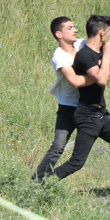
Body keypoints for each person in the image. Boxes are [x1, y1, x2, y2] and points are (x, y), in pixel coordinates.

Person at [50, 15, 110, 202]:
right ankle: (42, 185)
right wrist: (106, 56)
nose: (109, 35)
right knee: (76, 162)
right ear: (102, 32)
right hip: (87, 116)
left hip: (101, 114)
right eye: (107, 32)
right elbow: (101, 79)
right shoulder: (84, 56)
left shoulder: (99, 51)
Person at [34, 17, 92, 179]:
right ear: (58, 34)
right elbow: (75, 81)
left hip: (89, 107)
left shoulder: (82, 44)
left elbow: (108, 50)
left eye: (74, 26)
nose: (75, 30)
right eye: (70, 28)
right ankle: (37, 182)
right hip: (69, 107)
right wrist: (100, 75)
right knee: (58, 146)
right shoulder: (59, 56)